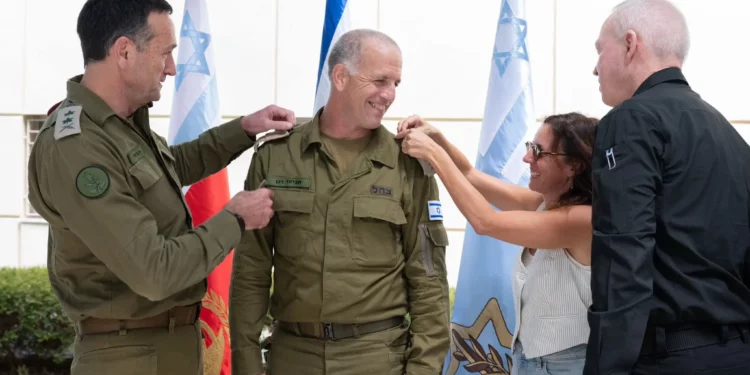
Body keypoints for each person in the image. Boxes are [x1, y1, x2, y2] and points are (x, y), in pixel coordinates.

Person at [26, 1, 295, 374]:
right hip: (128, 356)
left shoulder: (119, 126)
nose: (171, 68)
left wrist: (244, 129)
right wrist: (234, 218)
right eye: (165, 54)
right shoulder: (77, 146)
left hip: (165, 347)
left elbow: (170, 168)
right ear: (124, 52)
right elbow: (154, 271)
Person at [229, 29, 450, 375]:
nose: (389, 95)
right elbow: (250, 272)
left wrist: (424, 369)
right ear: (341, 76)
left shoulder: (407, 164)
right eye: (379, 81)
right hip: (292, 358)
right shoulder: (276, 157)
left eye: (395, 83)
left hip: (377, 359)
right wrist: (246, 363)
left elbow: (429, 279)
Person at [585, 0, 750, 373]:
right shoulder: (727, 135)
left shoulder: (631, 121)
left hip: (667, 357)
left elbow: (623, 254)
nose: (594, 67)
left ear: (630, 44)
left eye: (599, 50)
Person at [398, 113, 598, 375]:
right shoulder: (543, 204)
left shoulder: (582, 219)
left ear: (574, 165)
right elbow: (470, 175)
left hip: (567, 365)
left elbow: (485, 221)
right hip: (528, 361)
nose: (528, 158)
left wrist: (435, 155)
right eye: (529, 148)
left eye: (538, 152)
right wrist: (438, 139)